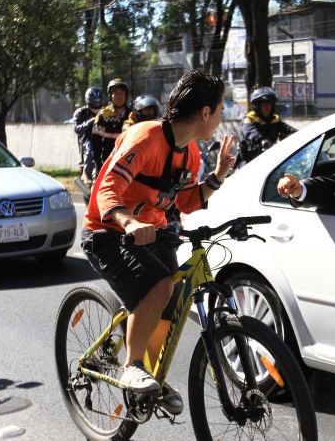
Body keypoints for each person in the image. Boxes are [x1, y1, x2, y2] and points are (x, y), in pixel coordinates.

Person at [81, 69, 235, 415]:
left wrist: (218, 177)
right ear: (205, 113)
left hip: (150, 231)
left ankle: (149, 380)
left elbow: (184, 202)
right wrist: (129, 221)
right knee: (160, 286)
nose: (222, 117)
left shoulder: (191, 154)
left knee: (173, 297)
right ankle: (133, 365)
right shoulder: (145, 137)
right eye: (221, 109)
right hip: (107, 232)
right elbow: (106, 188)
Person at [236, 86, 297, 166]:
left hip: (269, 159)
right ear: (257, 106)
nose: (267, 107)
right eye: (264, 105)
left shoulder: (275, 120)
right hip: (250, 162)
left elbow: (287, 128)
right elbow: (251, 132)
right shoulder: (250, 119)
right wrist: (263, 140)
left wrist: (301, 133)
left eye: (269, 104)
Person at [91, 78, 132, 177]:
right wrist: (98, 164)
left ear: (126, 95)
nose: (119, 96)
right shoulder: (103, 115)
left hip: (129, 161)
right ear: (110, 96)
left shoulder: (133, 114)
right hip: (108, 160)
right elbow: (96, 144)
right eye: (115, 93)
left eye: (121, 93)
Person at [73, 87, 103, 184]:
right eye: (94, 100)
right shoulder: (80, 112)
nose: (97, 103)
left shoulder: (105, 111)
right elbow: (76, 128)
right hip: (87, 139)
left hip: (104, 139)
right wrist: (88, 123)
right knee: (91, 147)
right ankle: (87, 174)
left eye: (98, 100)